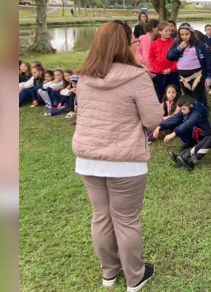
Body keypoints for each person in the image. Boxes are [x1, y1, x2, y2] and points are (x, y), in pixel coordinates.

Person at [72, 20, 163, 292]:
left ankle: (109, 274)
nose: (136, 46)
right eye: (133, 42)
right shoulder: (137, 77)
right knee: (126, 220)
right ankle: (134, 277)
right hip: (125, 162)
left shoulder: (85, 77)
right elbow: (152, 119)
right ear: (125, 44)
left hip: (89, 159)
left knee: (101, 216)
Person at [166, 24, 211, 107]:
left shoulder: (199, 44)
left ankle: (200, 114)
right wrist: (179, 48)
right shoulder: (177, 43)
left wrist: (208, 77)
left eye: (187, 34)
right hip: (183, 77)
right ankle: (191, 115)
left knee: (197, 96)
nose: (184, 37)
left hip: (197, 74)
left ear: (191, 33)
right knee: (188, 97)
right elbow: (169, 57)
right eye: (182, 34)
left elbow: (208, 61)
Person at [148, 22, 180, 102]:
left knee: (175, 91)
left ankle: (176, 110)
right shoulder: (154, 44)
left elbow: (178, 58)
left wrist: (172, 69)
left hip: (173, 73)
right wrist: (160, 70)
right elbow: (151, 58)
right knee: (161, 93)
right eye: (166, 31)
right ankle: (162, 110)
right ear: (160, 32)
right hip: (160, 74)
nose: (169, 32)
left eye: (170, 30)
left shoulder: (174, 43)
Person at [202, 24, 211, 92]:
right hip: (204, 59)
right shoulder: (202, 38)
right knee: (203, 73)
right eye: (208, 29)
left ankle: (210, 87)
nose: (209, 31)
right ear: (205, 30)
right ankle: (203, 86)